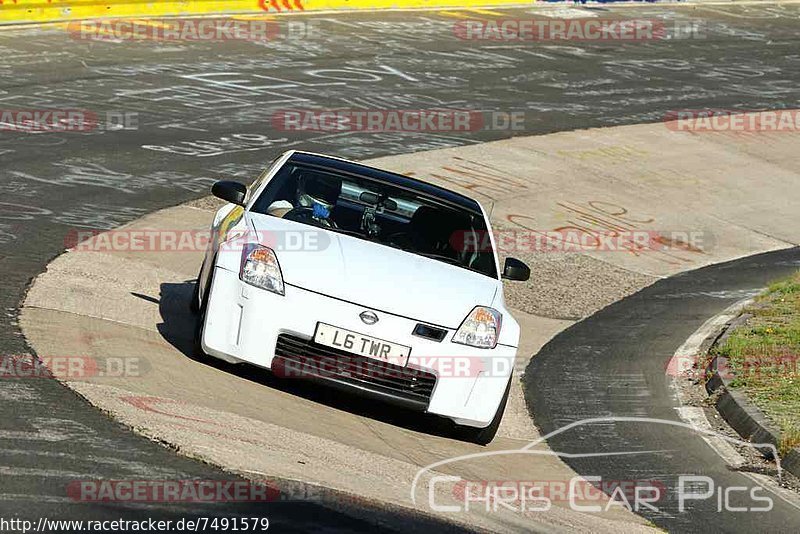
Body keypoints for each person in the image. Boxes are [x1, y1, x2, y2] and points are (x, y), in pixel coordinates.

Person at [267, 173, 342, 227]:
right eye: (318, 189)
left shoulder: (329, 223)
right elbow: (273, 214)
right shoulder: (283, 204)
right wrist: (294, 212)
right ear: (302, 185)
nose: (322, 195)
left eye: (330, 193)